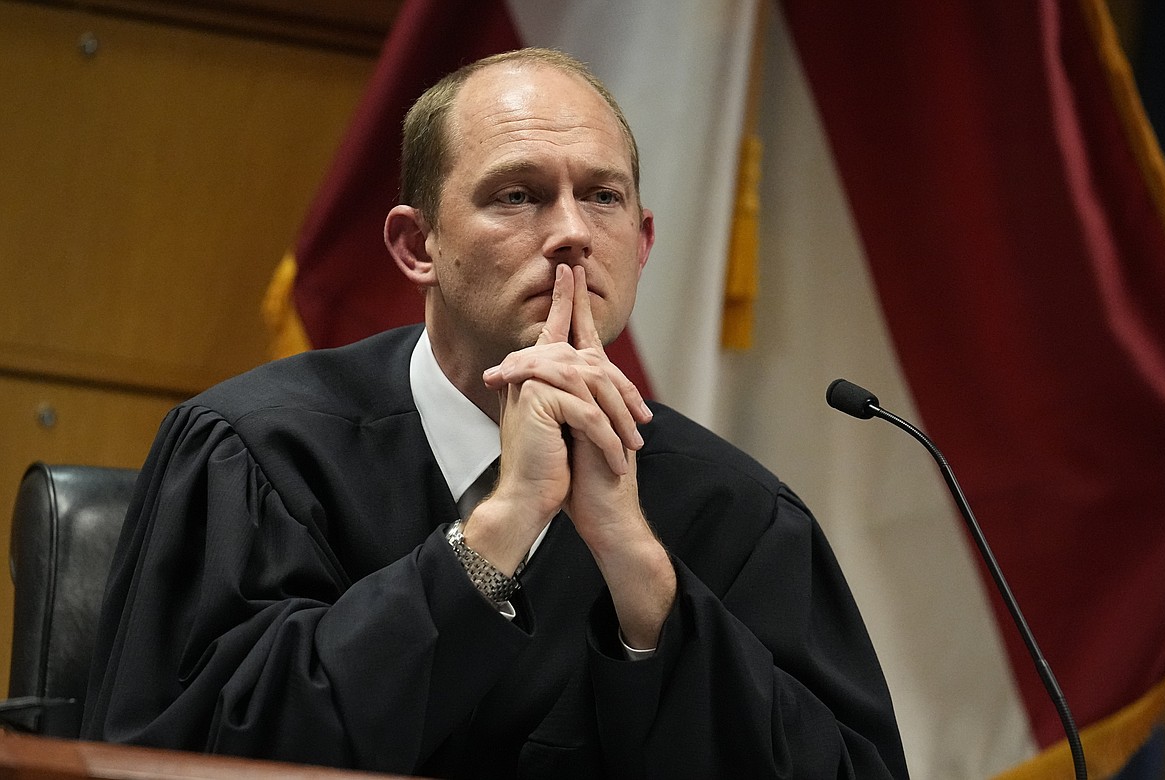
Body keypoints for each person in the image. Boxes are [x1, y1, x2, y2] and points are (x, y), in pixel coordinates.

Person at [82, 48, 909, 778]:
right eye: (518, 195)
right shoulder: (256, 451)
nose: (571, 234)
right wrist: (500, 529)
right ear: (418, 247)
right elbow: (184, 756)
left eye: (603, 197)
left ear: (644, 242)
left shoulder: (739, 513)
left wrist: (639, 572)